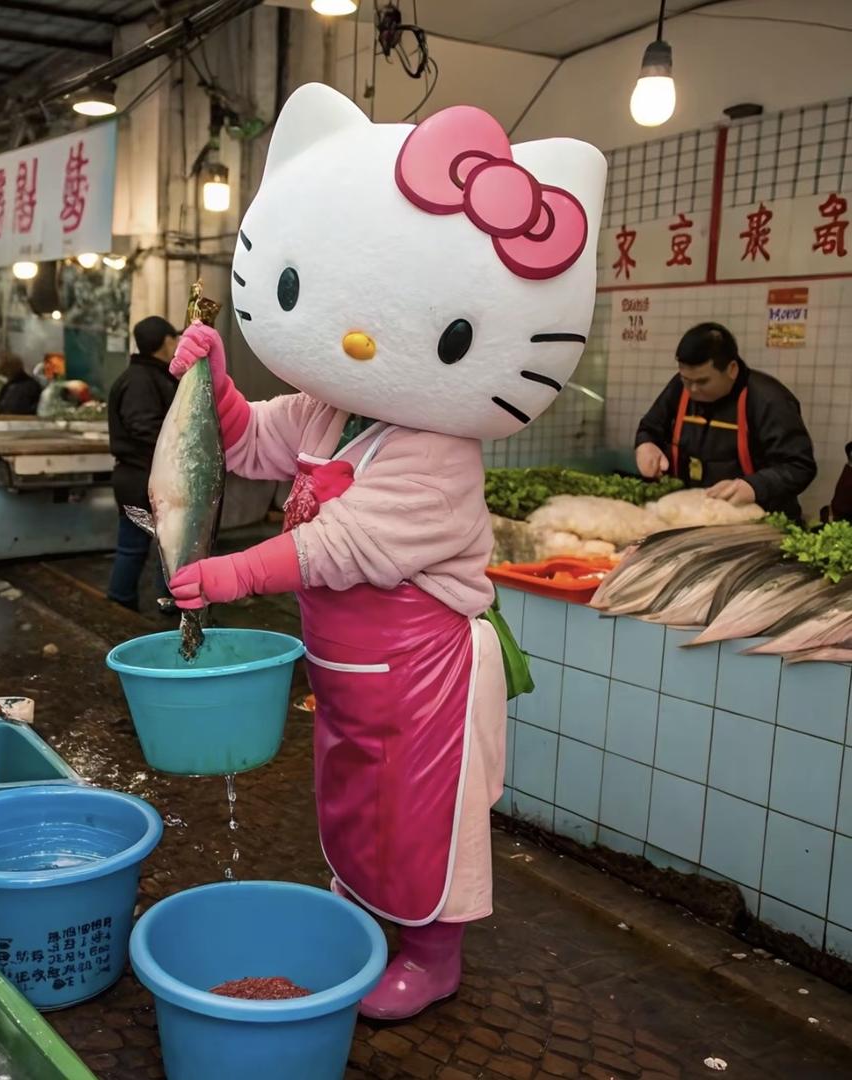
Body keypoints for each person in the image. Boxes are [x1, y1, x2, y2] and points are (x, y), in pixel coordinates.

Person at [162, 84, 607, 1019]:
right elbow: (250, 444)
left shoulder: (439, 453)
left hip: (424, 675)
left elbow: (342, 546)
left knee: (420, 817)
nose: (362, 340)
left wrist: (232, 574)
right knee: (353, 801)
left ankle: (434, 955)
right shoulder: (331, 406)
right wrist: (212, 381)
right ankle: (366, 912)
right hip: (349, 670)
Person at [635, 322, 816, 518]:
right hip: (692, 517)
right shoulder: (680, 388)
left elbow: (799, 466)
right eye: (686, 379)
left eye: (703, 381)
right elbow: (650, 428)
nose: (692, 389)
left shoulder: (769, 400)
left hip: (759, 521)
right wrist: (646, 445)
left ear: (731, 369)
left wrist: (754, 486)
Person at [107, 315, 181, 612]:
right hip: (141, 479)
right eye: (175, 339)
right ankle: (119, 606)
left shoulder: (151, 375)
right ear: (166, 341)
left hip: (146, 477)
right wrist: (181, 446)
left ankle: (171, 602)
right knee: (134, 547)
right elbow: (144, 427)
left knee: (169, 548)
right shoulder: (141, 380)